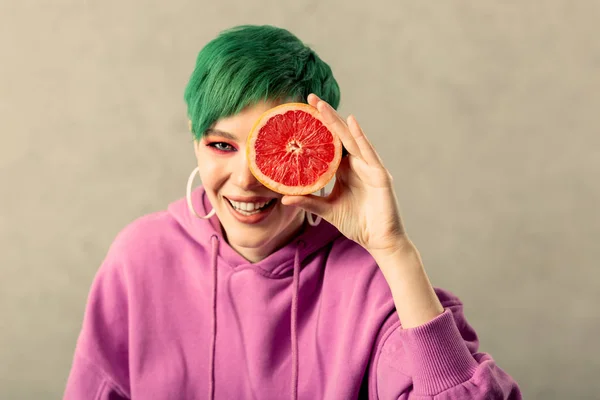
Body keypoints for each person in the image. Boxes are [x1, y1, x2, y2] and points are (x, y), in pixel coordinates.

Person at [64, 24, 521, 399]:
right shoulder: (139, 258)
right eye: (221, 145)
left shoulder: (375, 284)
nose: (244, 180)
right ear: (194, 138)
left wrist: (394, 250)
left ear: (322, 146)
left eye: (272, 150)